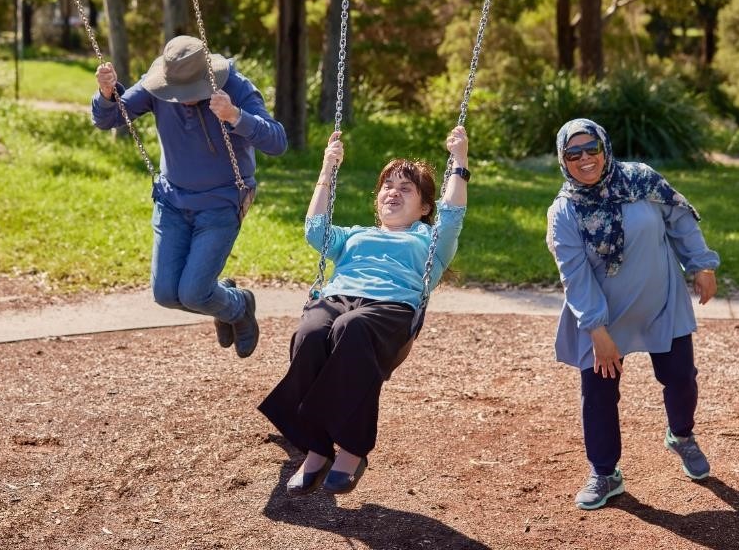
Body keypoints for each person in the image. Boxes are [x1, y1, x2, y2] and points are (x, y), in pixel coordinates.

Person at [258, 126, 470, 496]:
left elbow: (453, 213)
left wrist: (461, 161)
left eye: (406, 189)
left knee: (351, 330)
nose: (393, 192)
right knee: (311, 334)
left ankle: (351, 449)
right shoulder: (354, 234)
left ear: (423, 208)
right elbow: (315, 230)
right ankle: (318, 447)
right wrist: (326, 171)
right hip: (337, 298)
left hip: (390, 309)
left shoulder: (430, 239)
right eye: (388, 186)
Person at [545, 118, 720, 511]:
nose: (585, 159)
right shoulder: (564, 211)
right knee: (599, 395)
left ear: (605, 148)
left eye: (592, 149)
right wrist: (596, 329)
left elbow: (680, 219)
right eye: (573, 153)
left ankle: (682, 436)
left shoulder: (641, 180)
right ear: (563, 159)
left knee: (681, 379)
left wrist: (701, 265)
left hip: (662, 304)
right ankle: (605, 473)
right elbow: (574, 274)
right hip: (603, 318)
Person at [92, 35, 288, 358]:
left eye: (189, 92)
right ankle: (229, 301)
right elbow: (109, 119)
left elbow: (278, 141)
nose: (181, 99)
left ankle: (238, 307)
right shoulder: (158, 85)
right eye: (175, 92)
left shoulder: (235, 86)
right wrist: (106, 94)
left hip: (222, 203)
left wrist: (236, 116)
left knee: (195, 293)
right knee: (166, 294)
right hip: (173, 202)